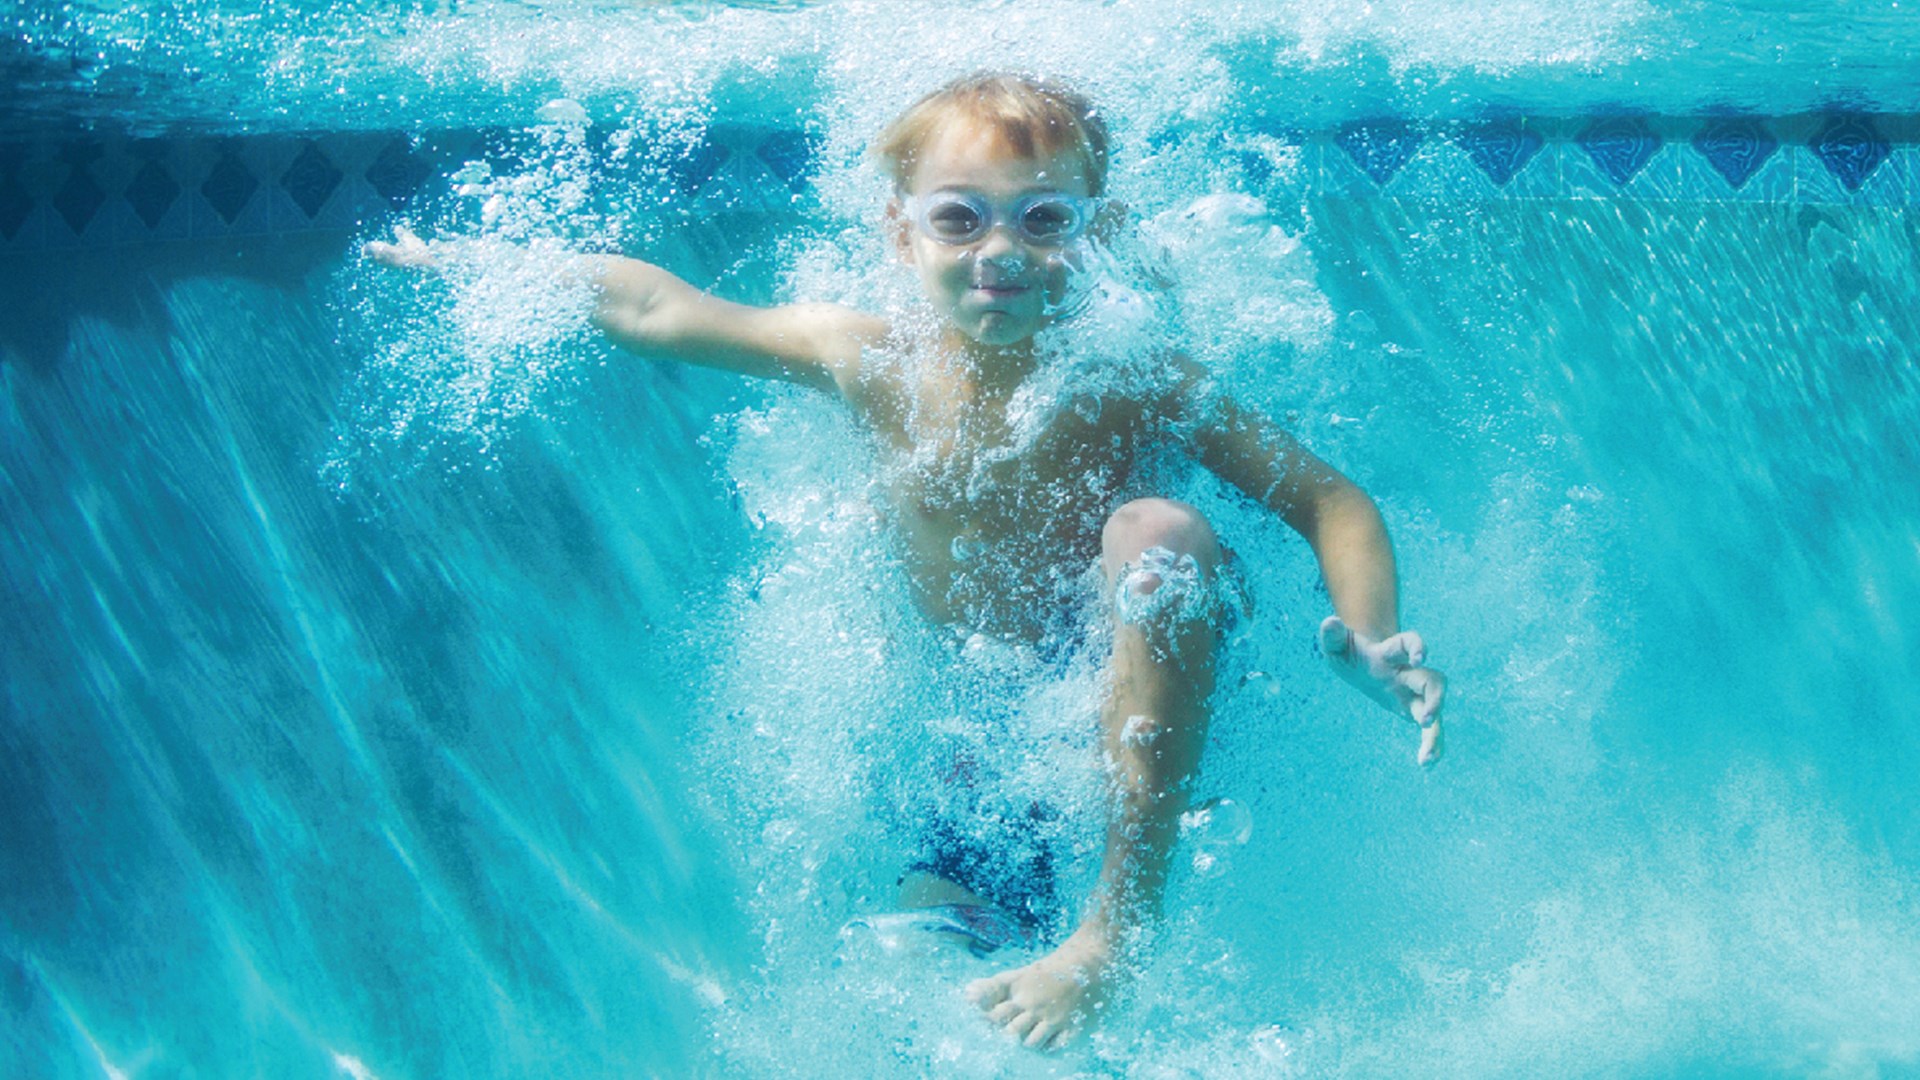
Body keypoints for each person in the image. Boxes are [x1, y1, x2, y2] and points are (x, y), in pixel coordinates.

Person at [367, 71, 1445, 1052]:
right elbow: (661, 307)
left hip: (1154, 695)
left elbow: (1330, 498)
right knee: (925, 992)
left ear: (1095, 232)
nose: (1002, 248)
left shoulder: (1132, 374)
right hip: (994, 743)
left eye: (1044, 218)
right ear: (902, 232)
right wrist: (502, 270)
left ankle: (1115, 936)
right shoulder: (866, 356)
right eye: (960, 217)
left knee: (1153, 535)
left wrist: (1368, 635)